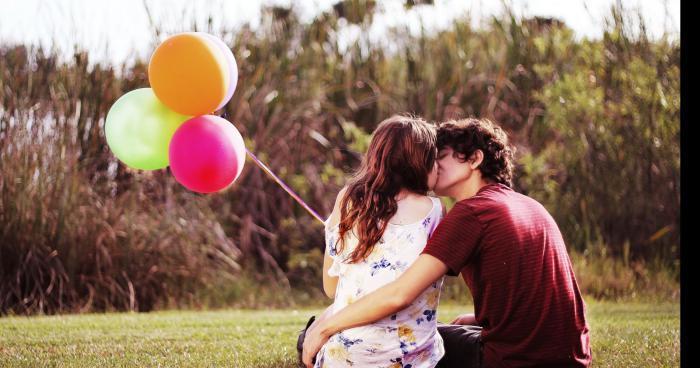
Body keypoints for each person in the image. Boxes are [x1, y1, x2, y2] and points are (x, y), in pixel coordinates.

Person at [303, 117, 592, 367]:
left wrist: (325, 326)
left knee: (330, 335)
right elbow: (539, 294)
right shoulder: (526, 205)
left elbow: (399, 293)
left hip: (513, 362)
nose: (433, 164)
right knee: (438, 330)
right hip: (571, 357)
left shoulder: (471, 213)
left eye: (440, 155)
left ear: (475, 160)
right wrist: (484, 317)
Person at [302, 114, 448, 368]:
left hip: (345, 357)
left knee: (318, 324)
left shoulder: (347, 199)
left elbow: (331, 288)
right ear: (420, 162)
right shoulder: (434, 210)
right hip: (411, 358)